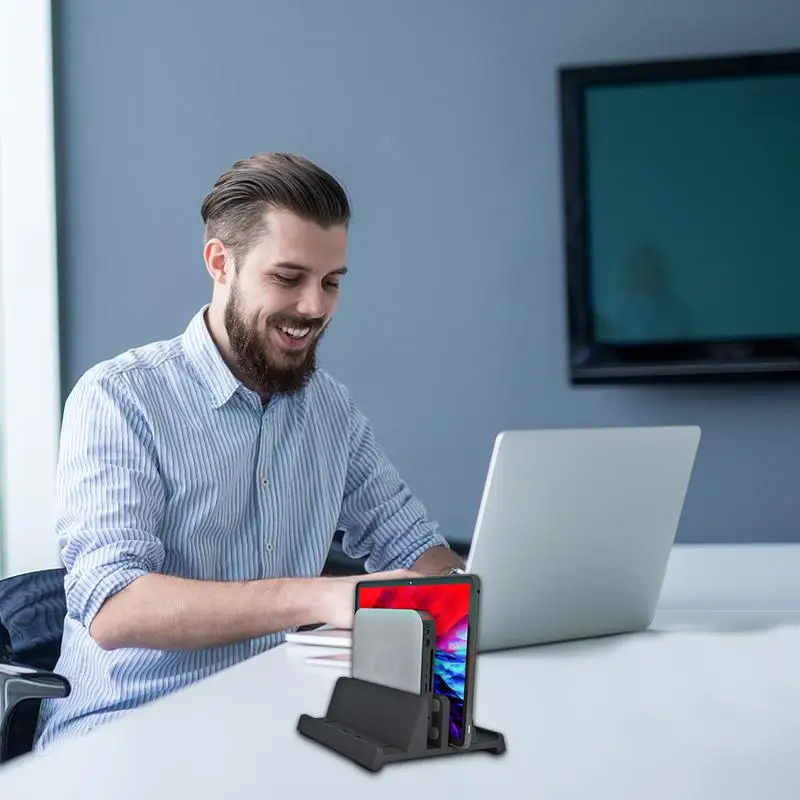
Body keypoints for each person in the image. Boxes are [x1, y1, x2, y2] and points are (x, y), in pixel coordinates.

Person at [34, 152, 463, 750]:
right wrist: (320, 597)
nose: (315, 307)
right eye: (288, 278)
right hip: (130, 732)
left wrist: (468, 591)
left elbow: (415, 548)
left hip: (273, 725)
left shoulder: (330, 409)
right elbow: (115, 608)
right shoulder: (119, 398)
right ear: (220, 262)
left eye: (331, 282)